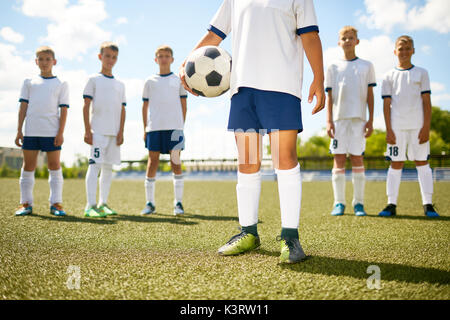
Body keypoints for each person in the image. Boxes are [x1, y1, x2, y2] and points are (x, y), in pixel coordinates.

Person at [180, 0, 325, 263]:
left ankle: (290, 238)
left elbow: (310, 35)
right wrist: (187, 64)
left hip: (282, 87)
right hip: (243, 90)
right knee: (247, 162)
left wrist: (319, 77)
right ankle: (248, 232)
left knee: (284, 159)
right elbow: (215, 34)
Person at [379, 35, 439, 218]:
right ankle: (391, 204)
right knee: (395, 164)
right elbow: (386, 105)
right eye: (400, 48)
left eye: (407, 48)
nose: (404, 52)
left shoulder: (422, 73)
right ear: (395, 51)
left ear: (413, 50)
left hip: (417, 127)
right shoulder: (389, 75)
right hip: (397, 128)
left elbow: (427, 102)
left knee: (422, 163)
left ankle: (428, 204)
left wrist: (426, 127)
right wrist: (389, 130)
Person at [325, 26, 376, 216]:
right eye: (344, 38)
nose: (347, 41)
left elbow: (370, 94)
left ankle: (359, 203)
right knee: (338, 160)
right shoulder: (333, 66)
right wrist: (329, 121)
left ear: (357, 41)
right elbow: (329, 96)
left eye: (351, 38)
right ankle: (339, 203)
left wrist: (370, 119)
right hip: (339, 120)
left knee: (357, 158)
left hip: (359, 120)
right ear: (339, 42)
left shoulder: (366, 65)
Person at [15, 46, 69, 217]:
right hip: (31, 131)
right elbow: (23, 106)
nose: (44, 62)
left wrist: (60, 133)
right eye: (41, 59)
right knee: (28, 166)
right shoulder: (28, 82)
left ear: (54, 61)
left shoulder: (61, 84)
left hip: (51, 132)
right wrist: (19, 130)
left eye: (48, 59)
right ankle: (26, 204)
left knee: (54, 166)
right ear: (36, 61)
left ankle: (56, 204)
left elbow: (64, 110)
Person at [141, 45, 188, 216]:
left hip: (175, 129)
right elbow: (144, 106)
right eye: (160, 56)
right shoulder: (149, 81)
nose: (164, 58)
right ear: (156, 59)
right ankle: (150, 203)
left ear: (172, 59)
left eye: (167, 56)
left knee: (175, 163)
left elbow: (184, 103)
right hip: (154, 128)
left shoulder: (178, 80)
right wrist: (145, 127)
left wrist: (181, 125)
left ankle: (178, 204)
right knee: (152, 163)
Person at [83, 42, 126, 218]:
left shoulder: (120, 84)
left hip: (114, 133)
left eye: (114, 57)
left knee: (108, 169)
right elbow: (85, 106)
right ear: (100, 57)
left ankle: (103, 203)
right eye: (107, 56)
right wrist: (87, 130)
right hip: (98, 132)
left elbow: (123, 109)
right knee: (95, 167)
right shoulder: (93, 80)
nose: (110, 60)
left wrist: (121, 131)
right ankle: (90, 206)